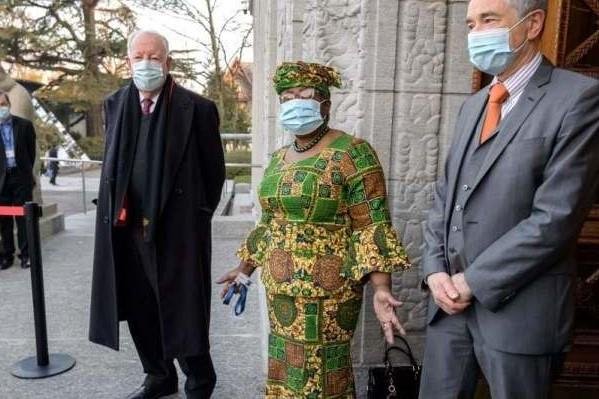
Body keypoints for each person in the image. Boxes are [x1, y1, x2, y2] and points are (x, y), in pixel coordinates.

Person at [419, 1, 599, 398]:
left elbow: (556, 218)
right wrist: (434, 271)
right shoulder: (474, 105)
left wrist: (473, 282)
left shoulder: (579, 98)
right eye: (470, 24)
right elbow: (445, 195)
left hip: (521, 311)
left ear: (533, 23)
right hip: (447, 307)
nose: (477, 33)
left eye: (489, 20)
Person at [217, 61, 411, 398]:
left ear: (325, 103)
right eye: (288, 96)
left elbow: (372, 223)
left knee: (321, 372)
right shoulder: (278, 159)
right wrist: (245, 270)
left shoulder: (353, 152)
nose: (295, 101)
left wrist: (381, 288)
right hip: (280, 289)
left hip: (329, 290)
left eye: (305, 94)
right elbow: (270, 222)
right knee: (285, 367)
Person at [89, 30, 225, 399]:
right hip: (125, 228)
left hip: (176, 231)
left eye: (154, 57)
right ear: (128, 61)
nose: (146, 64)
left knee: (182, 311)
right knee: (139, 307)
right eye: (139, 57)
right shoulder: (115, 103)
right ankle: (158, 376)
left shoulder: (197, 108)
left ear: (167, 62)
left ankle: (199, 381)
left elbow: (214, 177)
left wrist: (194, 221)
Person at [0, 91, 36, 270]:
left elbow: (31, 153)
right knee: (4, 220)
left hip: (20, 177)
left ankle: (26, 255)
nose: (1, 109)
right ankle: (7, 256)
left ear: (9, 105)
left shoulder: (24, 125)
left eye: (2, 105)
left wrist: (28, 175)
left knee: (23, 218)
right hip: (1, 180)